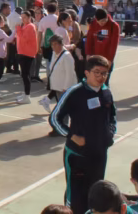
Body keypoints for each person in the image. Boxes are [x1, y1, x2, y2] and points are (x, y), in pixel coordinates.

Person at [49, 55, 117, 214]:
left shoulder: (107, 92)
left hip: (99, 152)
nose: (101, 77)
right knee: (76, 195)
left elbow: (112, 116)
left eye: (105, 73)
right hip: (77, 154)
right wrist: (71, 135)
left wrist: (110, 134)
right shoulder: (75, 92)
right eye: (97, 72)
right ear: (87, 73)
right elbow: (54, 118)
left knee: (96, 192)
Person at [40, 35, 76, 117]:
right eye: (52, 44)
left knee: (64, 110)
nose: (53, 46)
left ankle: (64, 127)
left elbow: (70, 74)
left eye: (56, 44)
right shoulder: (54, 53)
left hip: (64, 88)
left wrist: (66, 88)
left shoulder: (66, 56)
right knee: (61, 109)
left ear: (61, 44)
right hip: (57, 87)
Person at [85, 9, 121, 85]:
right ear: (96, 20)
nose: (102, 23)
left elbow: (114, 45)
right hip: (94, 58)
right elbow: (89, 40)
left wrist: (110, 60)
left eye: (104, 21)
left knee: (104, 82)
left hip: (106, 59)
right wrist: (88, 54)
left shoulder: (114, 26)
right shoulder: (93, 24)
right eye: (100, 22)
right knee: (93, 82)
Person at [15, 9, 39, 104]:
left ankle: (27, 96)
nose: (23, 19)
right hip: (22, 52)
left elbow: (24, 38)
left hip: (27, 53)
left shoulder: (30, 26)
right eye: (22, 17)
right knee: (24, 74)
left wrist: (18, 29)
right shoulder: (25, 26)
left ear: (29, 18)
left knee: (25, 75)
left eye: (25, 17)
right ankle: (26, 94)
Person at [2, 3, 21, 74]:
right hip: (7, 38)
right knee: (9, 54)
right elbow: (6, 28)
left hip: (10, 38)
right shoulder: (2, 17)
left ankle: (11, 68)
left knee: (12, 53)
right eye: (8, 8)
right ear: (4, 9)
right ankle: (9, 68)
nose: (10, 10)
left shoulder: (9, 16)